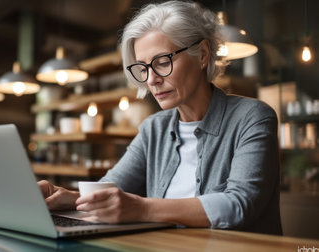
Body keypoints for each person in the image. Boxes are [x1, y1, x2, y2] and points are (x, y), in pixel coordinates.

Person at [38, 0, 282, 235]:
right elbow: (112, 187)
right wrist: (68, 197)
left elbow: (239, 205)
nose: (151, 79)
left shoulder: (252, 117)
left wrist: (141, 208)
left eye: (162, 61)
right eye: (142, 68)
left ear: (203, 54)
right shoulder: (153, 129)